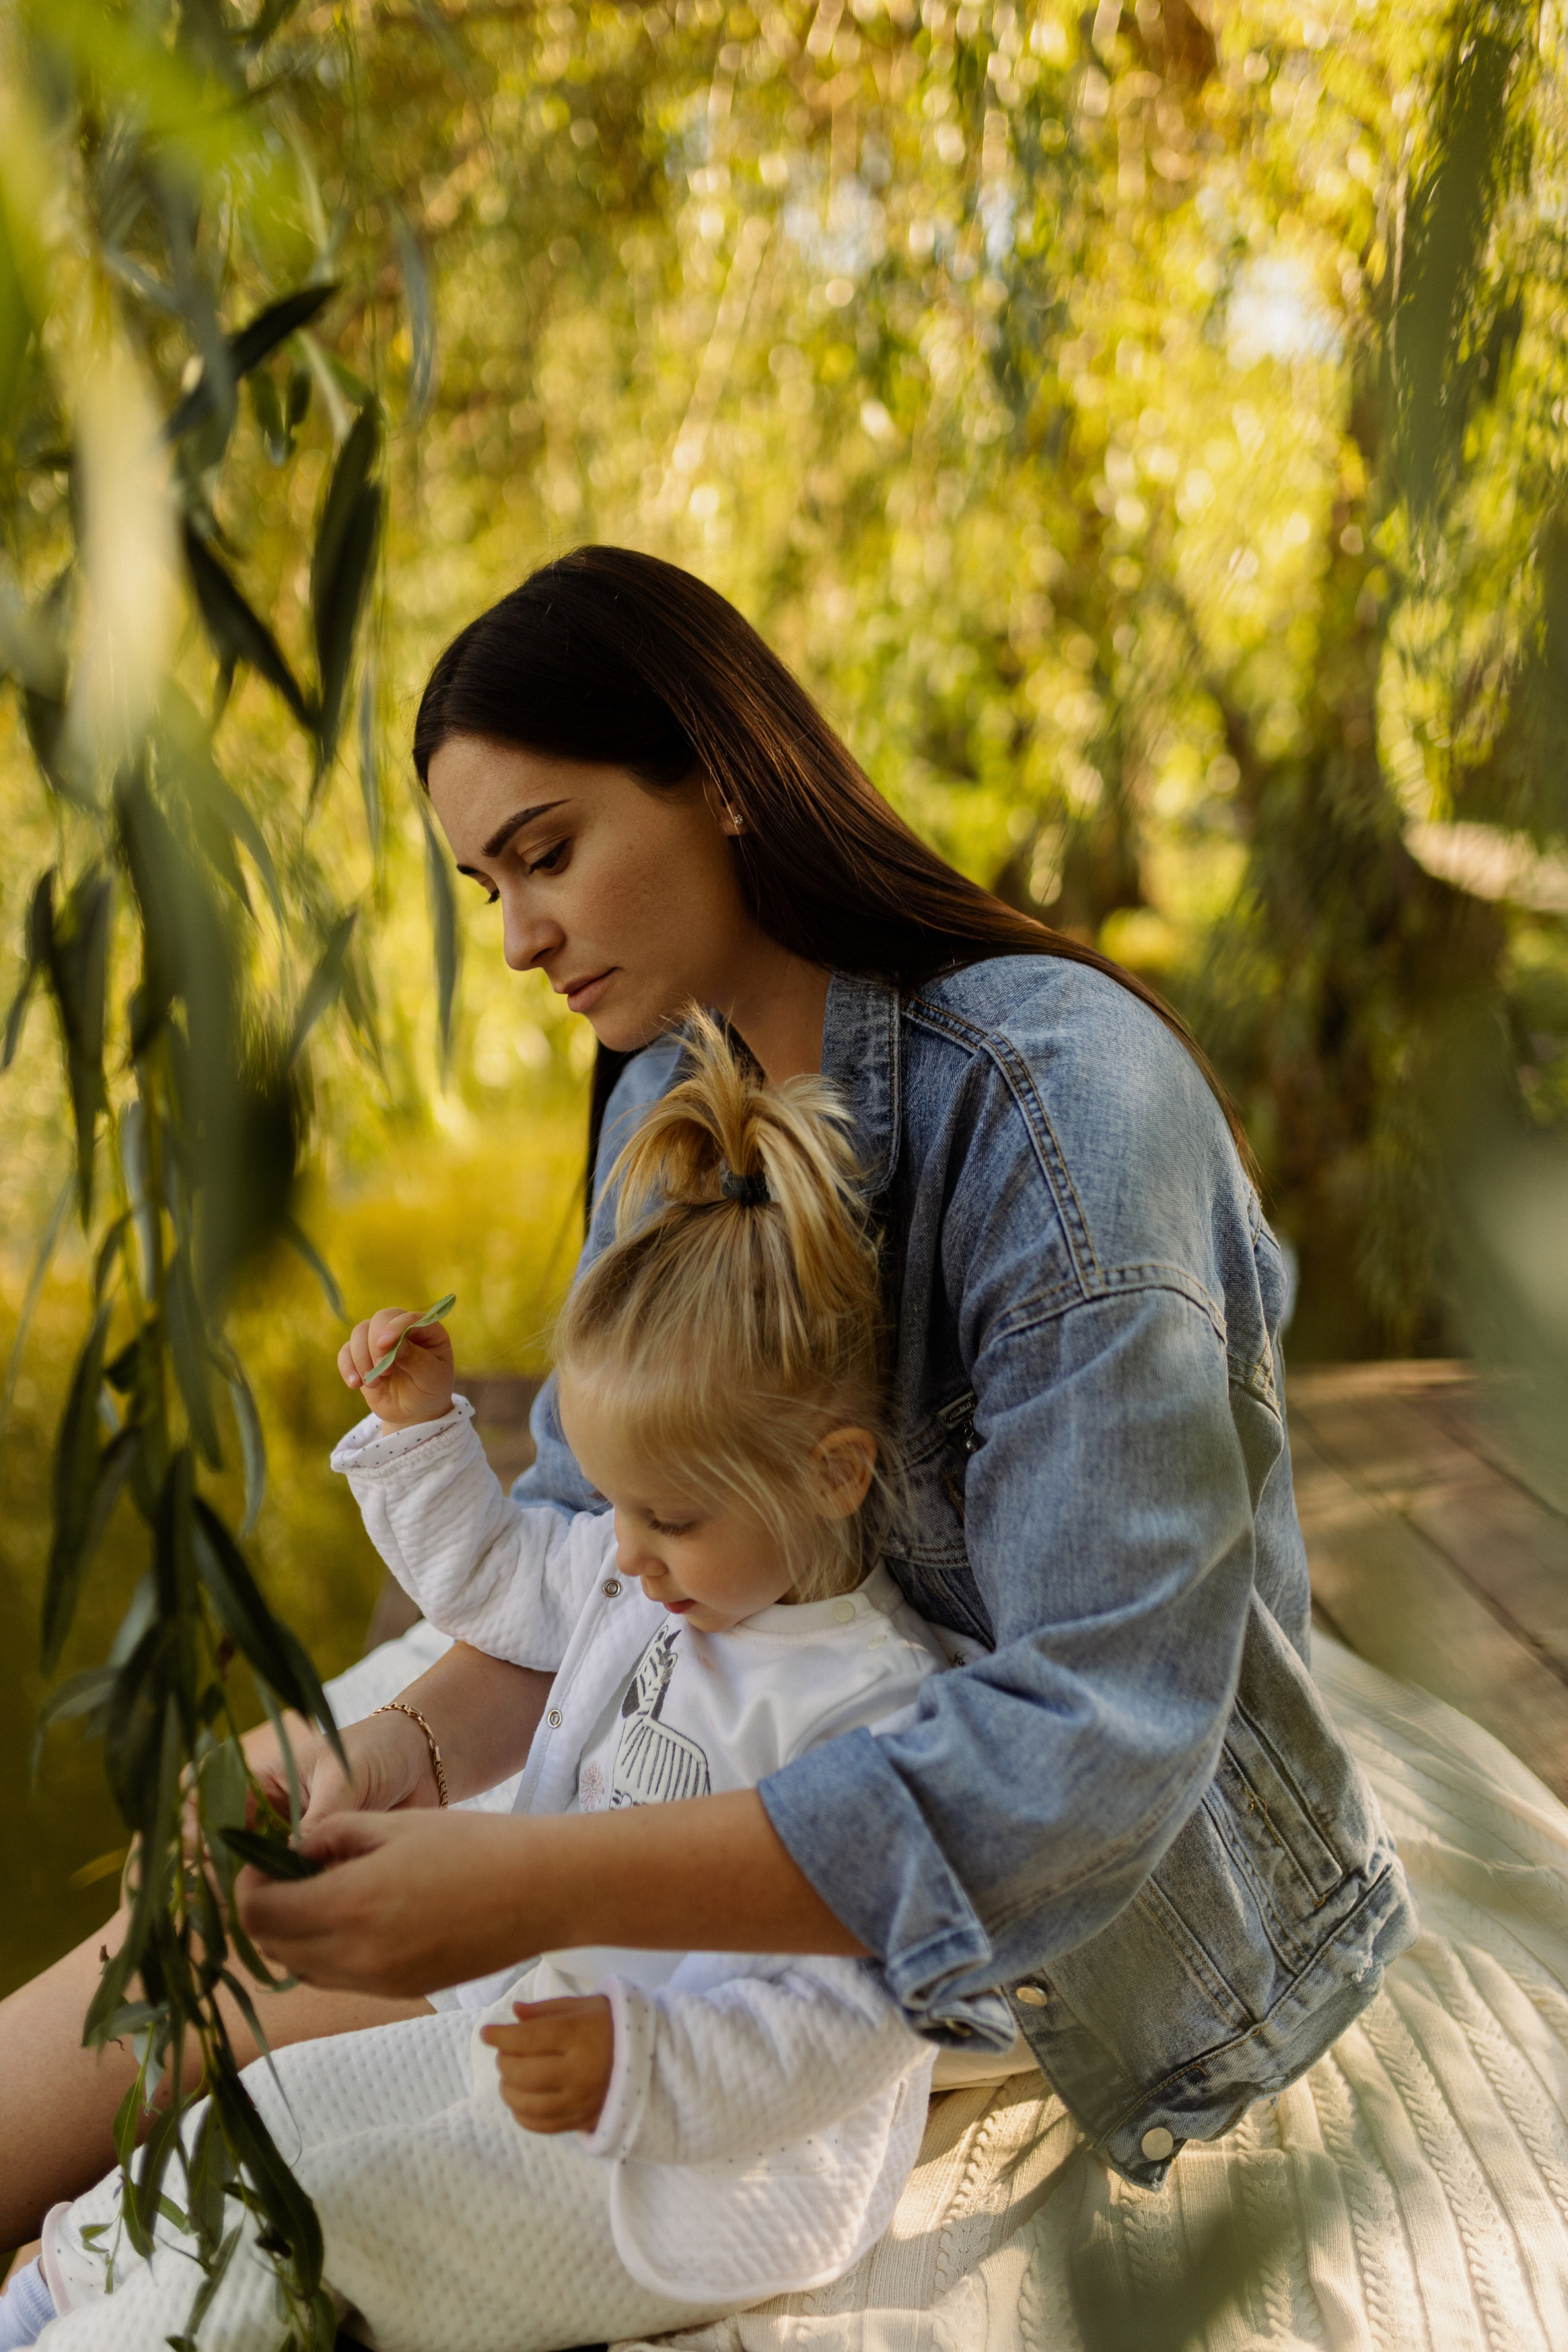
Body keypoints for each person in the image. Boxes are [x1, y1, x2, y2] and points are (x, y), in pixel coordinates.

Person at [0, 543, 1414, 2270]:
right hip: (735, 1702)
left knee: (264, 2009)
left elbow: (1090, 1754)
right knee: (195, 1898)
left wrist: (532, 1887)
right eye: (482, 885)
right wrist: (384, 1758)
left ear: (726, 778)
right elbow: (602, 1544)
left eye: (547, 855)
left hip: (1039, 1921)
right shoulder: (671, 1076)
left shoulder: (1066, 1111)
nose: (519, 936)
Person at [4, 1021, 990, 2350]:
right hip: (527, 2034)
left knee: (334, 2200)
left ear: (833, 1474)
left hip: (684, 2150)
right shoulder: (648, 1577)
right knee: (279, 2109)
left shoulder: (873, 1712)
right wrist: (424, 1435)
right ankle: (50, 2292)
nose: (625, 1556)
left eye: (672, 1519)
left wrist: (638, 2069)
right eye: (616, 1505)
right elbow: (497, 1574)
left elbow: (854, 2023)